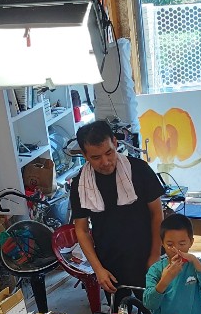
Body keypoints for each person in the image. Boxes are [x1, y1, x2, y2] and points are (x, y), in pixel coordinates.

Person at [70, 120, 164, 299]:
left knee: (154, 309)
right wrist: (98, 269)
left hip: (145, 254)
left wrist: (155, 255)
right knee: (119, 313)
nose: (105, 162)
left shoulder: (139, 170)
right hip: (110, 262)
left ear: (115, 142)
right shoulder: (80, 185)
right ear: (84, 155)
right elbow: (81, 230)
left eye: (109, 153)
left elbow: (157, 214)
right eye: (96, 157)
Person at [143, 214, 201, 314]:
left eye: (182, 244)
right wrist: (165, 280)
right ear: (162, 243)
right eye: (170, 245)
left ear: (191, 242)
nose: (176, 250)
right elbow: (149, 304)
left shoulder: (197, 265)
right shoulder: (156, 270)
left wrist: (195, 261)